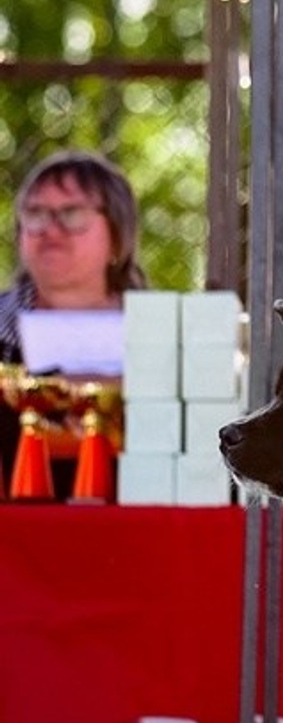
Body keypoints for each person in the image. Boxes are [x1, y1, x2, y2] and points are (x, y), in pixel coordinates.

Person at [0, 150, 146, 486]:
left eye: (71, 213)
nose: (50, 229)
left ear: (117, 234)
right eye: (35, 213)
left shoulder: (168, 333)